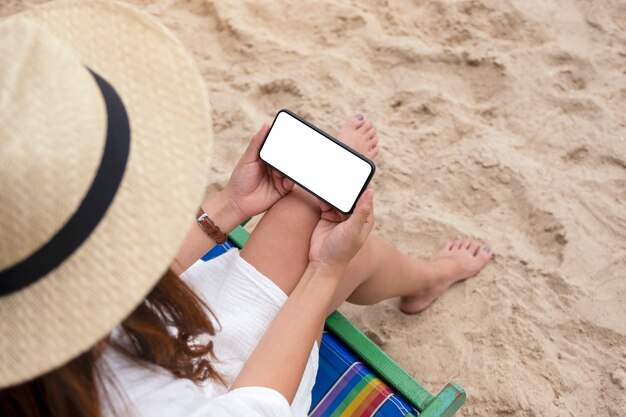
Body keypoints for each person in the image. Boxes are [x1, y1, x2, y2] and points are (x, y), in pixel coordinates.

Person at [0, 2, 492, 417]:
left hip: (152, 340)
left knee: (302, 205)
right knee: (341, 244)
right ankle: (427, 277)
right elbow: (257, 402)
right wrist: (324, 274)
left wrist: (231, 205)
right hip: (237, 389)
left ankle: (403, 263)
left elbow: (101, 286)